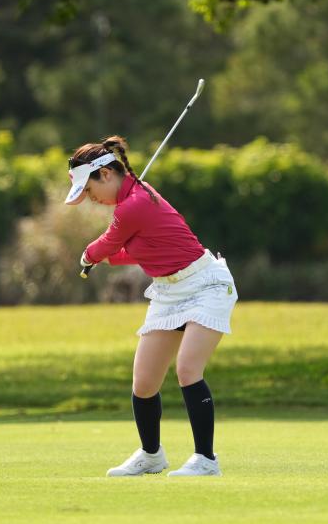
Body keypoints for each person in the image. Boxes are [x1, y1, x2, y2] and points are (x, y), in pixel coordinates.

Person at [66, 135, 238, 477]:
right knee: (144, 382)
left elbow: (107, 243)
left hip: (206, 284)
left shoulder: (134, 204)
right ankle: (151, 455)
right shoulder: (133, 203)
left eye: (89, 189)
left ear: (106, 174)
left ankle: (206, 459)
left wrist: (89, 255)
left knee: (188, 369)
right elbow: (138, 250)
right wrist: (107, 257)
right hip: (168, 292)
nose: (90, 198)